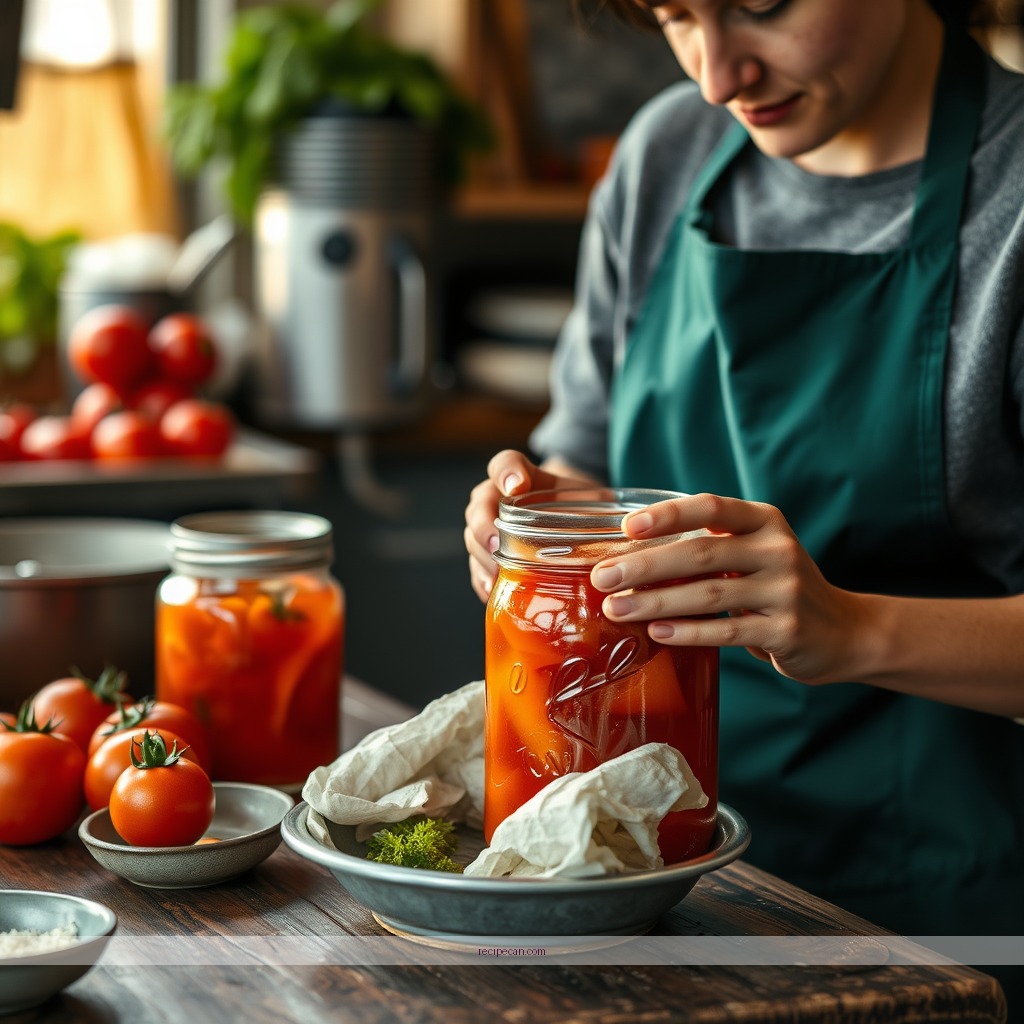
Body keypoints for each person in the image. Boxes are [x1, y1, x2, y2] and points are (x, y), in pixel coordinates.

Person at [464, 0, 1024, 1007]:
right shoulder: (666, 156)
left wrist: (848, 626)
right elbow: (581, 466)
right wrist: (541, 513)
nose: (717, 76)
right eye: (676, 15)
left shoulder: (1011, 200)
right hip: (644, 882)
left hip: (937, 926)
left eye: (761, 5)